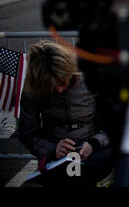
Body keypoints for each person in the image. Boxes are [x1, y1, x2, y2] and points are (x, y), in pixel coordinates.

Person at [18, 40, 114, 187]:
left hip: (94, 148)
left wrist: (95, 142)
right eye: (51, 87)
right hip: (55, 152)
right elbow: (28, 134)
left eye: (63, 83)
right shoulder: (32, 89)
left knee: (89, 170)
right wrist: (51, 150)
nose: (59, 91)